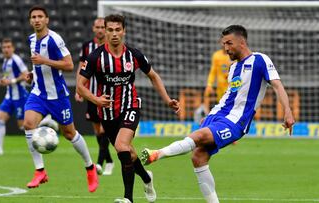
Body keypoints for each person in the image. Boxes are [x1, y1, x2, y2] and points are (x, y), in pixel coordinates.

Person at [141, 25, 295, 203]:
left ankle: (156, 154)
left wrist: (288, 111)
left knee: (198, 136)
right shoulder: (233, 68)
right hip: (218, 115)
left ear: (242, 42)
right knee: (198, 157)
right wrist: (212, 114)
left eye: (229, 43)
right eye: (224, 44)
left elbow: (277, 85)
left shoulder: (260, 60)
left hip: (236, 121)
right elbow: (230, 95)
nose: (226, 48)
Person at [77, 14, 179, 203]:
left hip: (130, 105)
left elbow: (153, 76)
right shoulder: (95, 57)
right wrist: (96, 100)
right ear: (105, 31)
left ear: (124, 31)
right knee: (127, 153)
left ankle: (128, 199)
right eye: (110, 30)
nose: (114, 34)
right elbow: (80, 86)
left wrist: (167, 100)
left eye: (118, 30)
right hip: (106, 112)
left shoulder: (134, 55)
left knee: (122, 146)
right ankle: (147, 178)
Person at [24, 5, 98, 192]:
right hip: (39, 93)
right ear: (30, 20)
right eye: (34, 17)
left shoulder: (55, 39)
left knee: (69, 133)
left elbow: (69, 65)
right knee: (28, 124)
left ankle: (90, 167)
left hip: (57, 96)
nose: (37, 20)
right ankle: (40, 171)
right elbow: (38, 64)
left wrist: (44, 61)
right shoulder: (31, 39)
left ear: (47, 19)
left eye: (40, 16)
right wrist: (33, 73)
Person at [75, 17, 114, 176]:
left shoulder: (112, 46)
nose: (99, 30)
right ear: (93, 29)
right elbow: (81, 67)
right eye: (97, 27)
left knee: (105, 129)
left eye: (102, 27)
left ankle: (99, 163)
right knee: (98, 130)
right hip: (91, 94)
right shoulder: (87, 47)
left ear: (106, 29)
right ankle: (110, 161)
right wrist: (79, 88)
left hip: (106, 94)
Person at [0, 38, 29, 156]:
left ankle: (45, 122)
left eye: (8, 47)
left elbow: (26, 75)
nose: (6, 49)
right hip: (9, 96)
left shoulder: (16, 60)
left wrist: (12, 81)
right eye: (4, 47)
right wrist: (3, 80)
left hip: (20, 96)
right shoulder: (5, 61)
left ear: (13, 48)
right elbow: (7, 76)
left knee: (23, 126)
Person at [203, 42, 232, 114]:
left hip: (232, 85)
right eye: (223, 43)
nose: (225, 45)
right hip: (220, 87)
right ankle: (207, 114)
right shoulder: (216, 56)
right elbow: (213, 72)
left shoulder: (233, 56)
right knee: (222, 107)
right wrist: (209, 84)